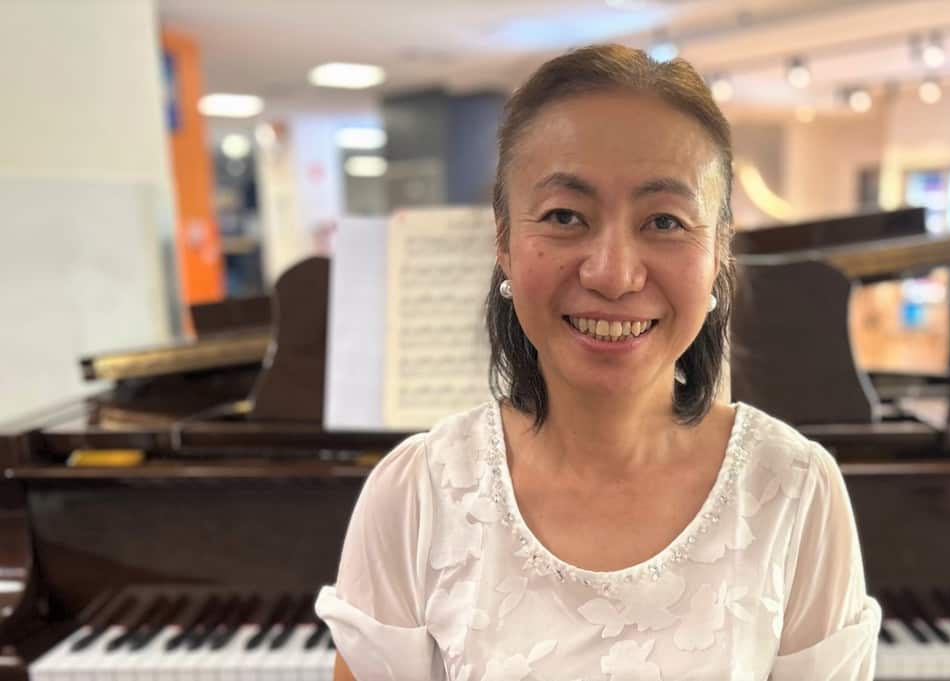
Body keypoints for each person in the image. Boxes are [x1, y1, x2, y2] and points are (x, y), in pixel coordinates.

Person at [315, 43, 880, 681]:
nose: (613, 274)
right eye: (564, 216)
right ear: (503, 240)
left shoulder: (796, 489)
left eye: (664, 221)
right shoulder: (414, 494)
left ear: (719, 249)